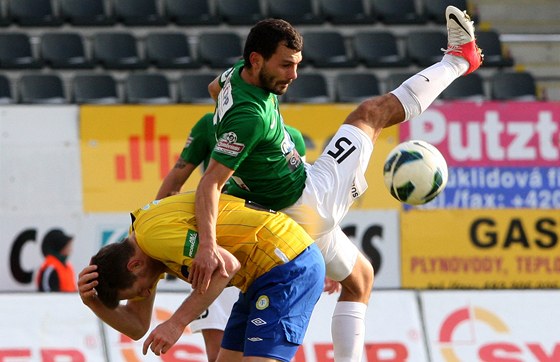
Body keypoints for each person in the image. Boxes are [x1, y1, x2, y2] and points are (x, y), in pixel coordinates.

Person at [191, 7, 483, 361]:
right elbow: (209, 185)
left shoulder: (232, 77)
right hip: (309, 199)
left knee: (360, 278)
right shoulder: (249, 118)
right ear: (256, 60)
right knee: (371, 115)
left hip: (286, 219)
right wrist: (207, 246)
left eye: (297, 63)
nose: (294, 74)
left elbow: (214, 88)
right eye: (285, 65)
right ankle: (459, 60)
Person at [156, 112, 325, 362]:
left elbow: (298, 207)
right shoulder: (208, 124)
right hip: (219, 250)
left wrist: (320, 246)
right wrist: (158, 227)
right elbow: (173, 183)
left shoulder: (293, 140)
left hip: (263, 257)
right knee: (218, 355)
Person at [78, 191, 325, 361]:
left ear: (134, 266)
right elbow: (137, 326)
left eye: (138, 290)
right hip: (260, 278)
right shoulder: (142, 249)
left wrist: (176, 323)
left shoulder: (154, 238)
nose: (145, 294)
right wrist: (93, 303)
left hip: (287, 263)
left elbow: (225, 266)